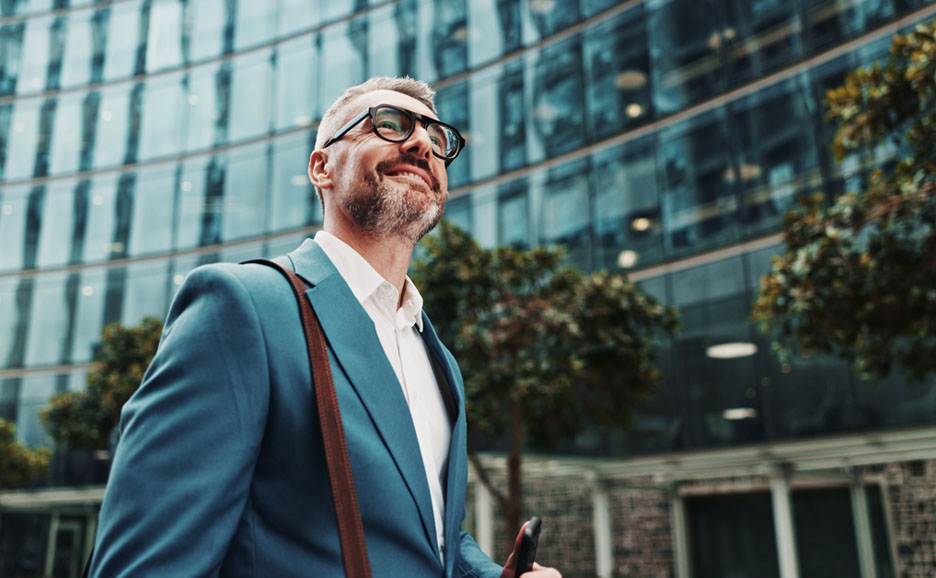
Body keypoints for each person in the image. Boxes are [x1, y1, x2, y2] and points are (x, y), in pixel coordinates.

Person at [87, 76, 562, 578]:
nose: (423, 142)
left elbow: (427, 533)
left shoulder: (437, 356)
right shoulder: (243, 305)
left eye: (437, 138)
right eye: (391, 124)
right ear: (321, 168)